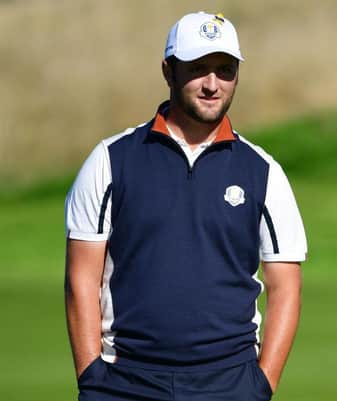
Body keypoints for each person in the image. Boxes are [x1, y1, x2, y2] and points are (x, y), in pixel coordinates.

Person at [64, 11, 307, 401]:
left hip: (230, 382)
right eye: (198, 69)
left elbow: (285, 286)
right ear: (168, 71)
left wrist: (262, 384)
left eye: (225, 70)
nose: (213, 84)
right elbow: (81, 278)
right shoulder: (110, 159)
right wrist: (92, 376)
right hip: (125, 380)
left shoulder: (263, 171)